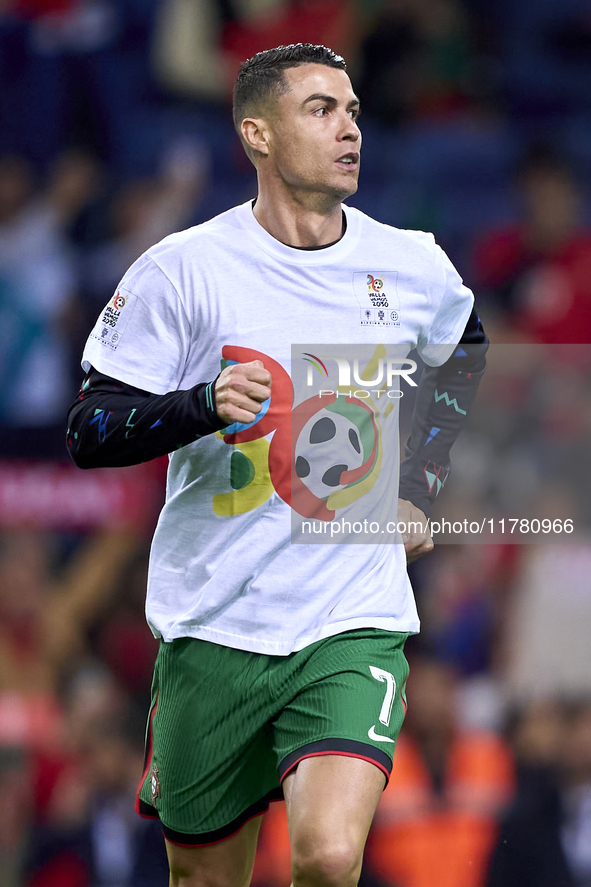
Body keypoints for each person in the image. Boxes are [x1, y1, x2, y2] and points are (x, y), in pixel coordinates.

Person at [66, 43, 487, 887]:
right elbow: (89, 428)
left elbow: (462, 350)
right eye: (321, 110)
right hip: (213, 620)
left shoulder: (408, 263)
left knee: (328, 857)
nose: (349, 130)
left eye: (354, 111)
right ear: (256, 134)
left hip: (348, 614)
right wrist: (199, 404)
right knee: (204, 879)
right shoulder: (185, 270)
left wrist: (418, 486)